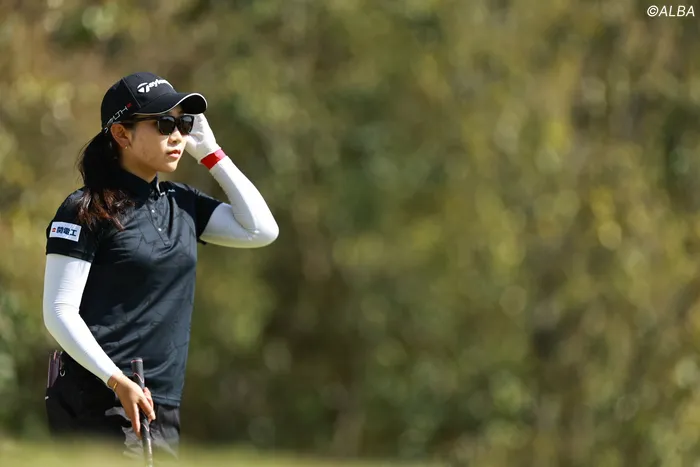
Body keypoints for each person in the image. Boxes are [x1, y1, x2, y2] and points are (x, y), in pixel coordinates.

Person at [42, 72, 279, 461]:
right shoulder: (85, 208)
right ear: (121, 134)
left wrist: (211, 153)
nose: (178, 135)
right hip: (99, 397)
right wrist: (117, 381)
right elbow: (58, 311)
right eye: (164, 124)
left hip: (161, 403)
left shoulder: (182, 204)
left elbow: (261, 230)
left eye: (184, 124)